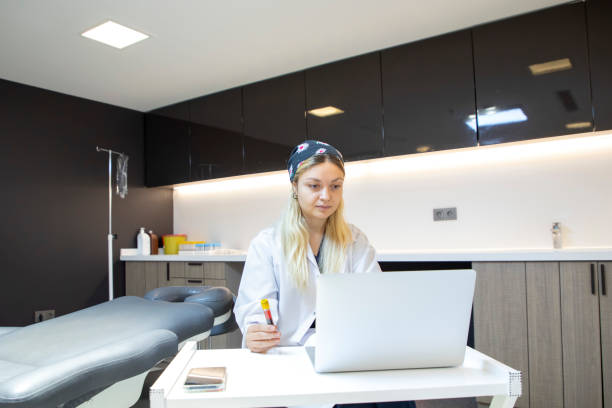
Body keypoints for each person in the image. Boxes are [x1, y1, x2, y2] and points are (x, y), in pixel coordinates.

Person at [233, 140, 415, 408]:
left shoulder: (354, 240)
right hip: (290, 355)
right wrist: (256, 330)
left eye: (336, 186)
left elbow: (376, 298)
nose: (326, 195)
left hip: (348, 353)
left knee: (394, 394)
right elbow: (255, 308)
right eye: (314, 186)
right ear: (295, 187)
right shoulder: (268, 244)